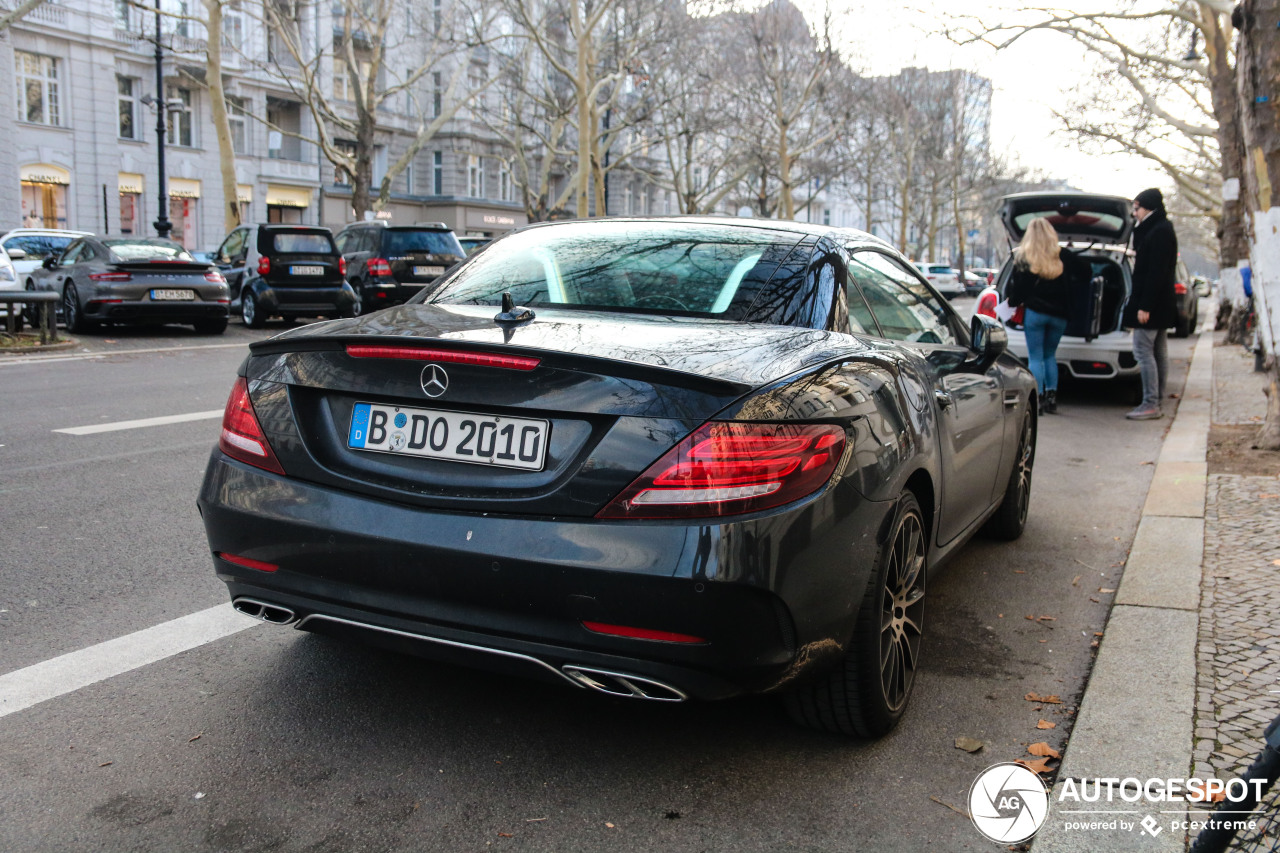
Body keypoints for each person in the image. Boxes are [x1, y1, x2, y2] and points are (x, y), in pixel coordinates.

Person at [1006, 217, 1087, 415]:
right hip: (1059, 316)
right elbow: (1086, 271)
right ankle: (1052, 398)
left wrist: (1011, 305)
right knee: (1050, 355)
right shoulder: (1063, 256)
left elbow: (1017, 293)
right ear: (1051, 234)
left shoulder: (1024, 258)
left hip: (1035, 315)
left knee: (1035, 357)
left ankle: (1038, 398)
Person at [1124, 187, 1178, 420]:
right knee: (1157, 351)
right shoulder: (1160, 229)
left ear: (1149, 207)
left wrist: (1144, 306)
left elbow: (1155, 273)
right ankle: (1156, 399)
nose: (1134, 213)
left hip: (1152, 305)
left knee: (1143, 351)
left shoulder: (1158, 232)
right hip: (1160, 303)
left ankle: (1150, 403)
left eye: (1137, 208)